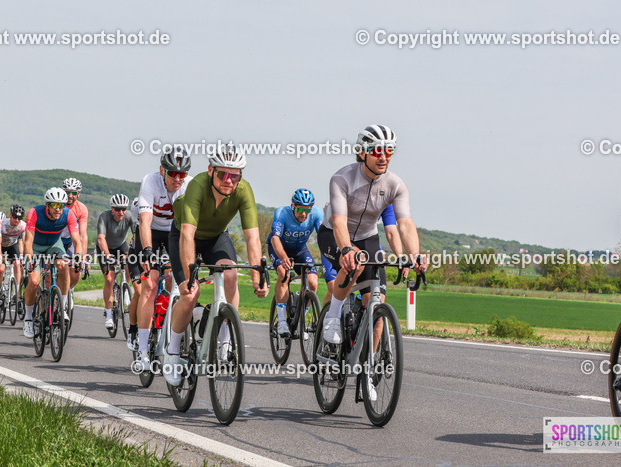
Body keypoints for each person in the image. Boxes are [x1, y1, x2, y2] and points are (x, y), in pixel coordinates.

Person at [163, 143, 269, 386]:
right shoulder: (197, 187)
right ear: (211, 171)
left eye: (235, 175)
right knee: (190, 295)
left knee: (230, 275)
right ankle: (172, 352)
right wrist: (190, 276)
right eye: (223, 173)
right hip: (184, 237)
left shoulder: (244, 190)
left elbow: (252, 237)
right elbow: (188, 235)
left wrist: (257, 277)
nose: (229, 180)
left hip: (216, 238)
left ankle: (225, 338)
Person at [316, 124, 427, 349]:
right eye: (377, 151)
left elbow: (404, 223)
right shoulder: (342, 178)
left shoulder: (396, 184)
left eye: (389, 151)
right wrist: (346, 249)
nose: (383, 157)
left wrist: (414, 255)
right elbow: (338, 221)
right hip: (334, 234)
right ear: (363, 152)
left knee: (377, 311)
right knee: (354, 264)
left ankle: (368, 368)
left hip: (368, 237)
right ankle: (333, 316)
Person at [133, 146, 191, 368]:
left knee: (184, 281)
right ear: (162, 171)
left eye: (182, 174)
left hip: (175, 233)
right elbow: (145, 221)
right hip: (152, 233)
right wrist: (147, 249)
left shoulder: (189, 184)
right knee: (150, 284)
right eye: (173, 173)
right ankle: (142, 349)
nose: (178, 179)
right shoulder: (150, 181)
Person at [22, 188, 80, 339]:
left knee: (63, 267)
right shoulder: (35, 213)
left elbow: (76, 240)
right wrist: (30, 260)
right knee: (34, 282)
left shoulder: (68, 214)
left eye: (61, 205)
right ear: (47, 204)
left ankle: (63, 307)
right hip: (35, 246)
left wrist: (78, 257)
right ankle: (28, 318)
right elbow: (28, 241)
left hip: (54, 245)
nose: (58, 209)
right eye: (55, 205)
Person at [269, 189, 323, 338]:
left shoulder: (317, 214)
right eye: (300, 209)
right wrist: (284, 257)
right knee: (283, 274)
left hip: (300, 250)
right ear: (293, 206)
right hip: (279, 248)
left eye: (307, 210)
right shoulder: (282, 213)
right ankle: (281, 321)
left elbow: (323, 237)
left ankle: (301, 320)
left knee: (312, 282)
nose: (304, 214)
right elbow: (275, 239)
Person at [96, 193, 138, 332]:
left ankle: (126, 289)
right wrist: (107, 256)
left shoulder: (129, 216)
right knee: (109, 279)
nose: (121, 212)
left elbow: (136, 235)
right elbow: (101, 238)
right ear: (112, 209)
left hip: (121, 245)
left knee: (129, 263)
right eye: (118, 209)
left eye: (123, 209)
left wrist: (136, 251)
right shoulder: (104, 217)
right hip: (105, 247)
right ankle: (108, 315)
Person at [58, 177, 89, 325]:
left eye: (73, 193)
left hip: (70, 242)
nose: (70, 196)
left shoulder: (81, 209)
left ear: (78, 194)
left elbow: (82, 234)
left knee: (76, 271)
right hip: (55, 240)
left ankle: (69, 290)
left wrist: (81, 257)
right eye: (67, 192)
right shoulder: (56, 203)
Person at [0, 204, 26, 309]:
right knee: (1, 269)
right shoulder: (2, 224)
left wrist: (22, 257)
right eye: (15, 217)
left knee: (17, 264)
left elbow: (23, 242)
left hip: (13, 245)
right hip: (1, 245)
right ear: (10, 215)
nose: (16, 220)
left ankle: (16, 294)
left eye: (19, 218)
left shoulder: (23, 226)